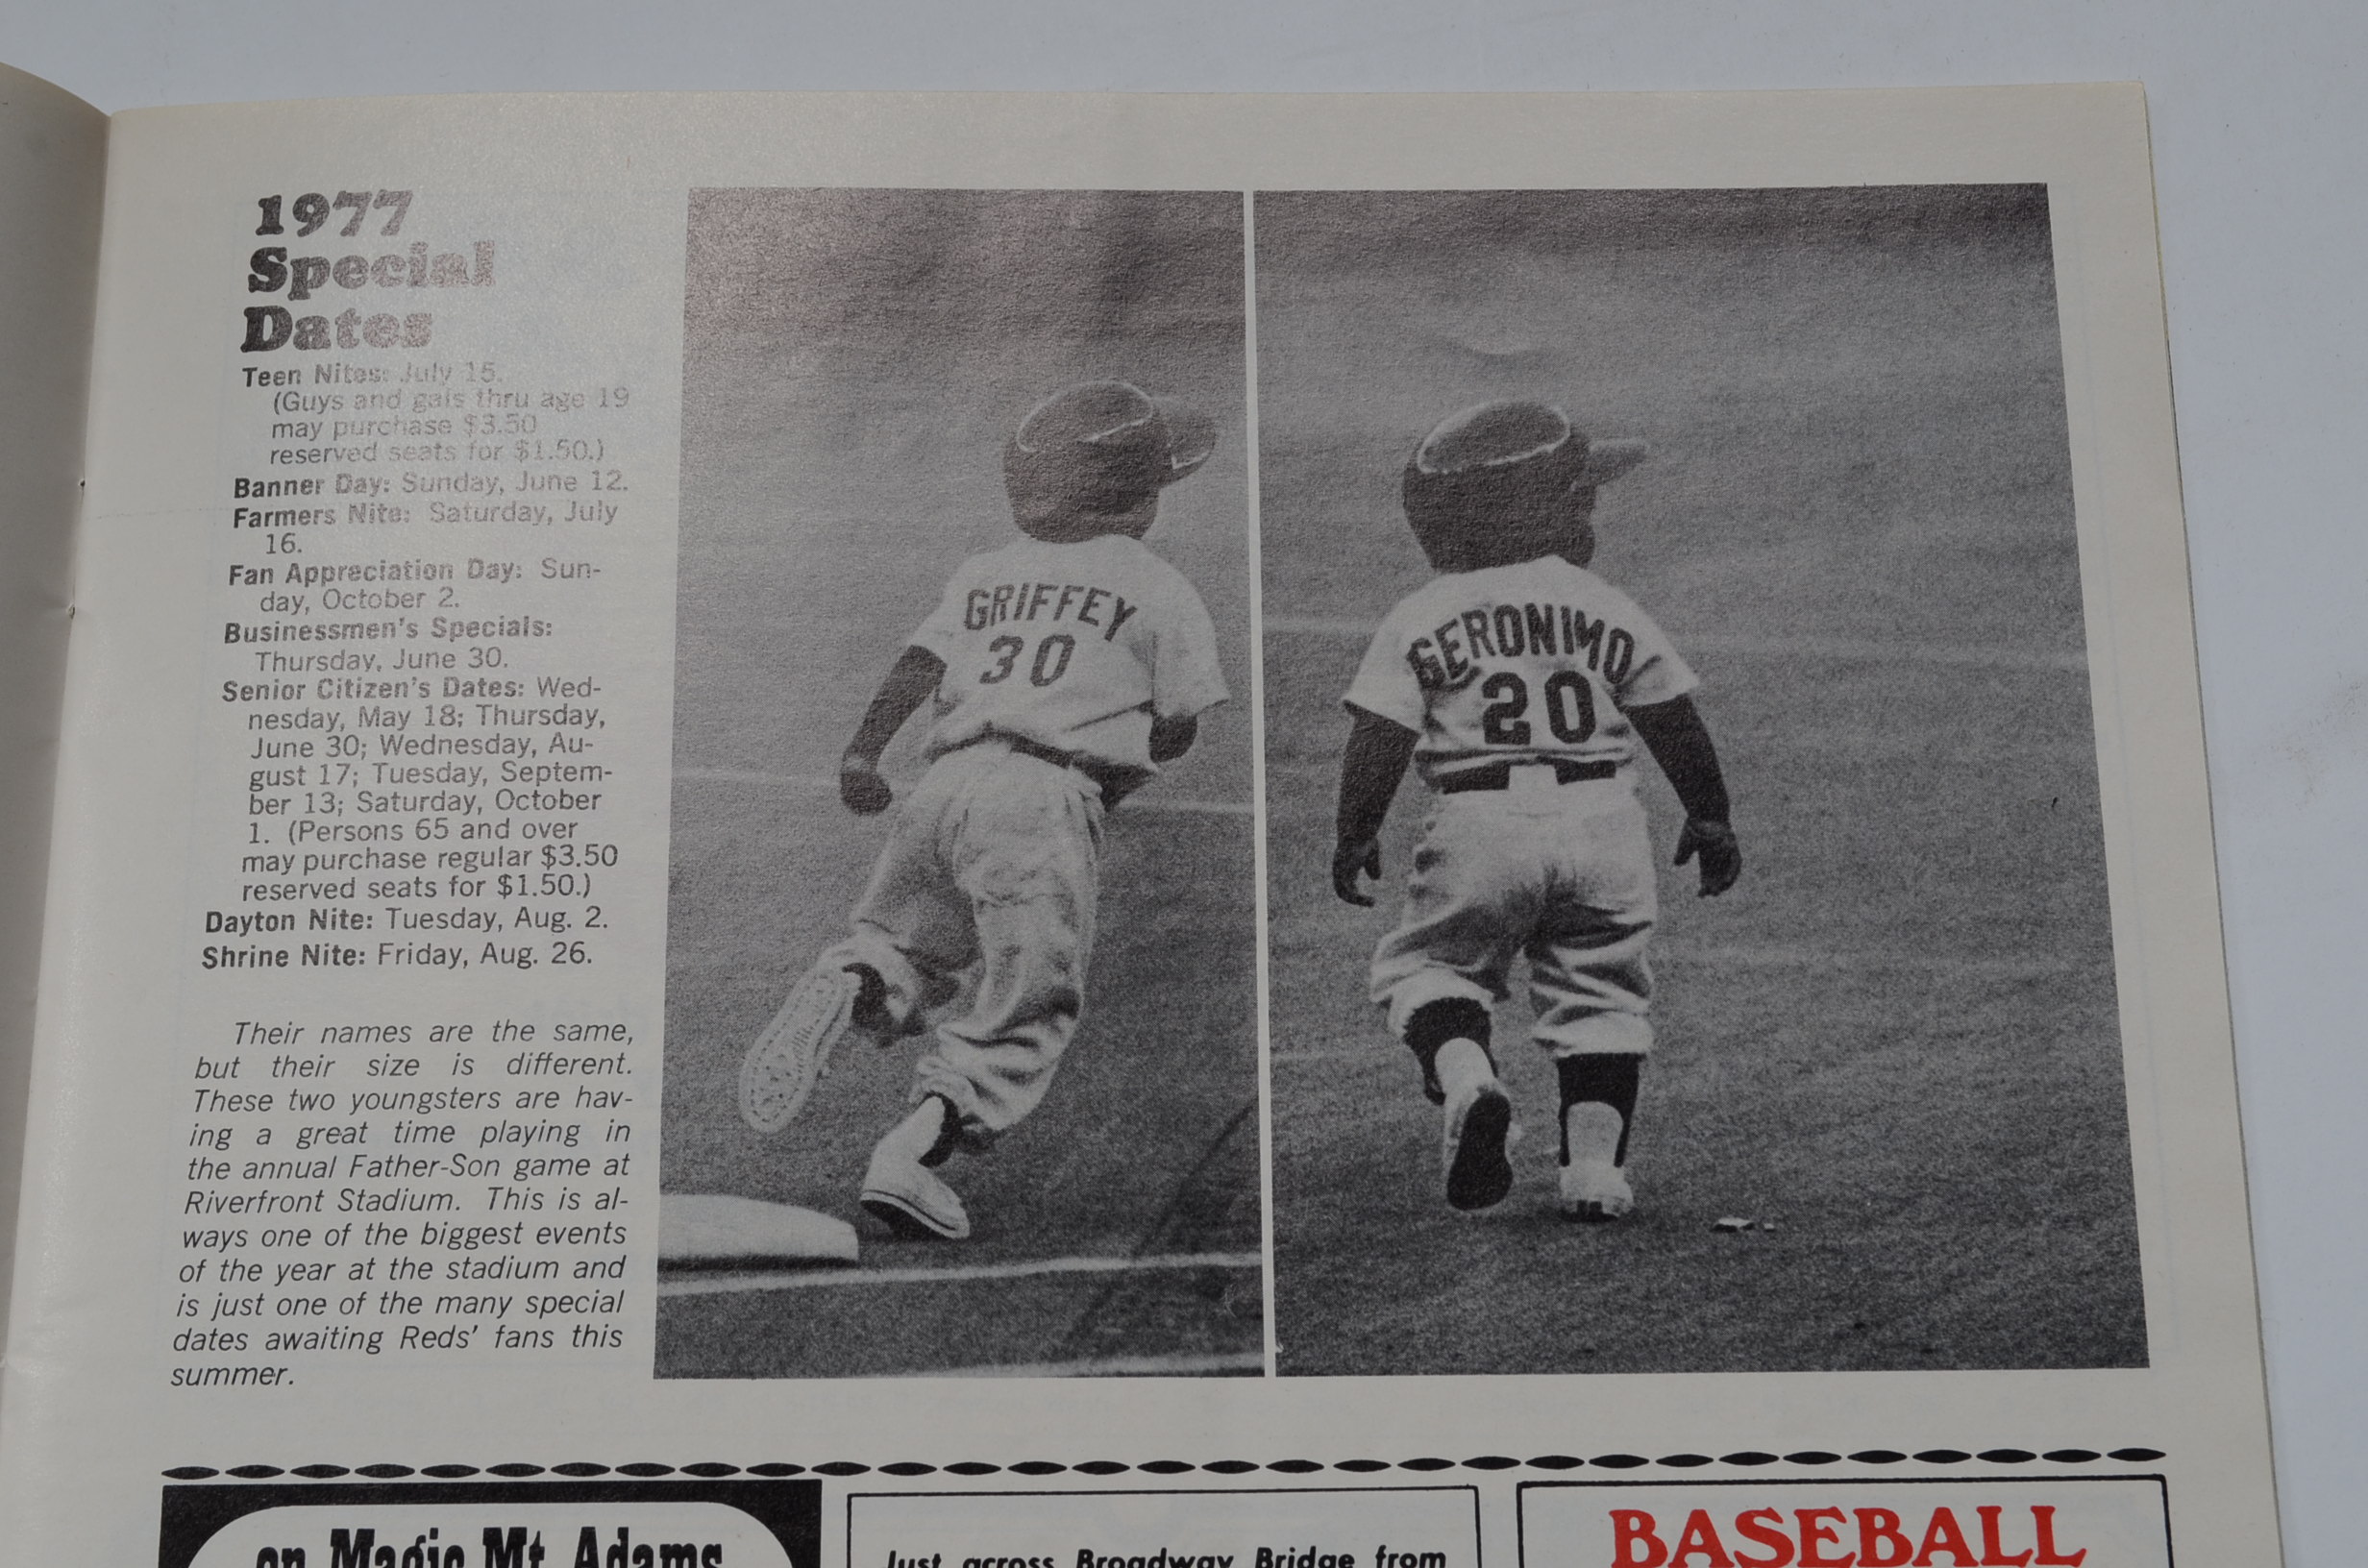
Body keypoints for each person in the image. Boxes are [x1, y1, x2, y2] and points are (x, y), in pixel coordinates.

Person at [739, 380, 1230, 1241]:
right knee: (1026, 1001)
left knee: (910, 937)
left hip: (942, 785)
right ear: (1146, 498)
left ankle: (863, 975)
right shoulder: (1158, 585)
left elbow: (918, 663)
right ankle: (912, 1153)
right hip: (1043, 798)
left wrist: (863, 753)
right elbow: (1179, 727)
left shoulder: (986, 572)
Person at [1330, 399, 1741, 1221]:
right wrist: (1709, 815)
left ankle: (1469, 1080)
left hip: (1480, 824)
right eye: (1578, 496)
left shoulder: (1422, 612)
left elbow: (1380, 731)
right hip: (1603, 820)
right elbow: (1671, 717)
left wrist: (1357, 829)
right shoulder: (1603, 602)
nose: (1589, 510)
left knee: (1429, 970)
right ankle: (1594, 1173)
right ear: (1542, 513)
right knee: (1602, 997)